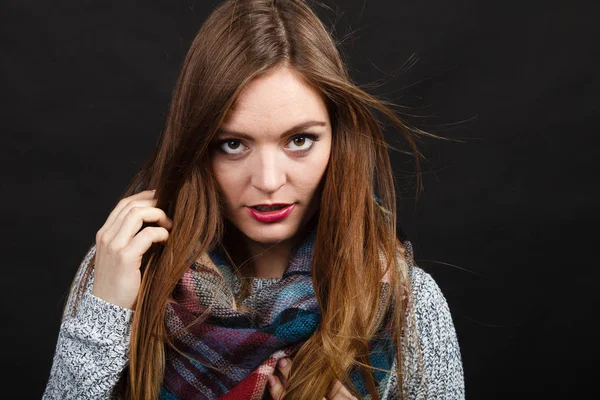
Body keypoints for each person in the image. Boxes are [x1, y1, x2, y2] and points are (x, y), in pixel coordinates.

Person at [42, 0, 464, 399]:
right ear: (197, 146)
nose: (268, 180)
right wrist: (105, 313)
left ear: (339, 139)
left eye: (300, 140)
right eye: (232, 144)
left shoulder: (407, 302)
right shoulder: (126, 274)